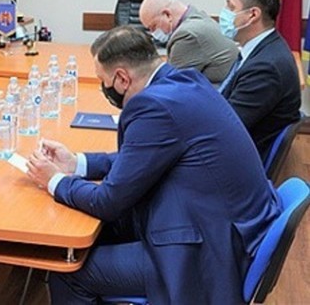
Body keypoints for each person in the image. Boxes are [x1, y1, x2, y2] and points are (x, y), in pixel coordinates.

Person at [26, 27, 280, 304]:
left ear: (122, 78)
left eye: (103, 80)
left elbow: (108, 201)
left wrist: (55, 181)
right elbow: (142, 158)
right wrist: (77, 163)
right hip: (222, 225)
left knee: (68, 271)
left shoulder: (153, 106)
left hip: (206, 253)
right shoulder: (185, 80)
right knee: (94, 233)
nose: (103, 87)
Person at [218, 0, 301, 160]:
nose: (224, 13)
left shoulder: (266, 67)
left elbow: (225, 127)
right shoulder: (261, 49)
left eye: (231, 7)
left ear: (253, 15)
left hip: (237, 161)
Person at [139, 0, 239, 84]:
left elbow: (173, 85)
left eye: (153, 27)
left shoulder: (187, 35)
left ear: (167, 15)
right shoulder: (199, 17)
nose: (152, 33)